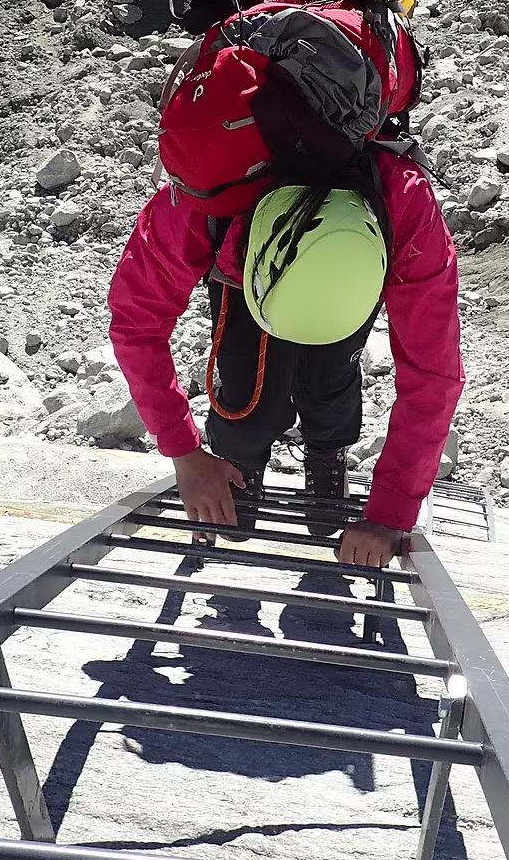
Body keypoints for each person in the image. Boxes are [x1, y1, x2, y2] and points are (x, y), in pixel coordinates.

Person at [107, 146, 463, 569]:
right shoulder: (206, 192)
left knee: (332, 376)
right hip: (240, 259)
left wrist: (392, 511)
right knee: (247, 383)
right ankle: (240, 461)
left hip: (337, 268)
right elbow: (136, 322)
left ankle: (327, 451)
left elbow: (433, 373)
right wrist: (186, 453)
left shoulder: (404, 204)